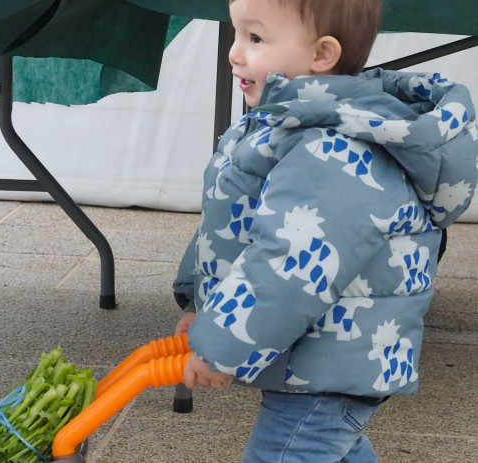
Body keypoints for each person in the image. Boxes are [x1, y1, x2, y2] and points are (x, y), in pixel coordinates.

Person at [172, 0, 478, 461]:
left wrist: (222, 345)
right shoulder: (286, 125)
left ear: (322, 54)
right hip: (326, 361)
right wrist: (206, 304)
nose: (234, 53)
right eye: (235, 34)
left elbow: (287, 264)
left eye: (255, 38)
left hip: (332, 367)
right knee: (335, 449)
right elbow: (237, 225)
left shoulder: (330, 149)